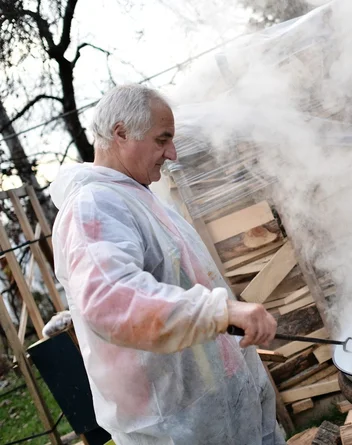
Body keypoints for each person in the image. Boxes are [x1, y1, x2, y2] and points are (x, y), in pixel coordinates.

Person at [50, 84, 285, 445]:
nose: (171, 153)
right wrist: (220, 312)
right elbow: (110, 299)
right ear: (121, 132)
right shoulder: (94, 205)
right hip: (175, 423)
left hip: (210, 410)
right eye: (162, 140)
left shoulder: (135, 196)